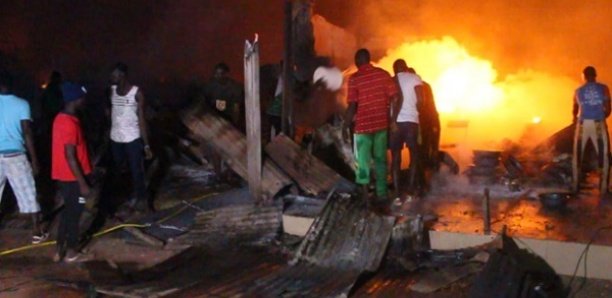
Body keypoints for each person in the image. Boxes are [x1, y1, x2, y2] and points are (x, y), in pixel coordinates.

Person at [344, 49, 400, 204]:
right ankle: (381, 194)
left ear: (357, 61)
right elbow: (395, 97)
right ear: (369, 60)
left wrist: (345, 126)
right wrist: (392, 119)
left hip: (362, 128)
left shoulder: (355, 79)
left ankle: (365, 197)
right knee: (381, 160)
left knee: (362, 163)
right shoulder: (383, 74)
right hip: (381, 125)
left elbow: (352, 106)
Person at [0, 71, 46, 244]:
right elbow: (27, 132)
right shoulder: (22, 104)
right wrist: (34, 159)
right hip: (15, 155)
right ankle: (36, 231)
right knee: (28, 192)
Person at [52, 82, 92, 262]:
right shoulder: (69, 123)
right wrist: (83, 183)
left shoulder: (60, 118)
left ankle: (59, 248)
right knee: (75, 213)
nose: (84, 100)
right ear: (75, 100)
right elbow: (70, 155)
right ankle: (71, 251)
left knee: (68, 211)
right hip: (74, 178)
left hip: (63, 175)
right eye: (82, 97)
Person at [109, 63, 153, 212]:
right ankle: (124, 199)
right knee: (117, 170)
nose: (111, 77)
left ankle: (142, 200)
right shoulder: (112, 91)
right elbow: (110, 114)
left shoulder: (136, 92)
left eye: (114, 75)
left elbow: (142, 120)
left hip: (132, 137)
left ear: (122, 75)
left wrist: (146, 144)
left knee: (137, 170)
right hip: (115, 137)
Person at [572, 66, 611, 195]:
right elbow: (608, 108)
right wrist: (600, 117)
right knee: (603, 155)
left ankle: (575, 187)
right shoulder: (604, 88)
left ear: (584, 76)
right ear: (595, 75)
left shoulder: (578, 91)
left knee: (577, 155)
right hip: (598, 123)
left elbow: (575, 111)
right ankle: (603, 189)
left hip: (583, 124)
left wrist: (575, 122)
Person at [391, 60, 424, 195]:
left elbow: (390, 101)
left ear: (394, 70)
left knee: (395, 158)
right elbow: (421, 100)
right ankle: (411, 190)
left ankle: (397, 191)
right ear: (405, 67)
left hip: (396, 123)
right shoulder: (415, 78)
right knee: (414, 156)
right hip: (412, 122)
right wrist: (417, 112)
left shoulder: (392, 80)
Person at [204, 62, 244, 130]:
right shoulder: (211, 85)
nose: (216, 76)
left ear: (226, 74)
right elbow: (206, 100)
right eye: (216, 73)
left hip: (228, 118)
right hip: (214, 118)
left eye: (220, 74)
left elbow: (236, 108)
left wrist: (235, 123)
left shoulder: (234, 87)